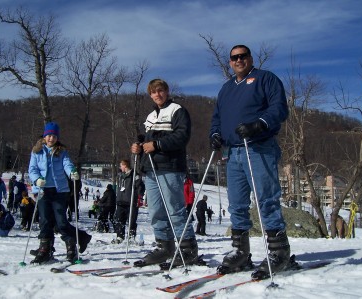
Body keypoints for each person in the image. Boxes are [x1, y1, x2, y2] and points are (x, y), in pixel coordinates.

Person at [209, 44, 290, 278]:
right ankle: (240, 251)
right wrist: (215, 134)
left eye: (243, 56)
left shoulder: (265, 78)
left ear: (250, 58)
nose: (238, 60)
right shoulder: (226, 89)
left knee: (266, 199)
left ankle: (279, 252)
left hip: (258, 147)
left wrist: (260, 123)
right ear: (230, 62)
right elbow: (217, 118)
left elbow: (279, 108)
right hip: (233, 151)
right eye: (234, 57)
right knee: (236, 204)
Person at [130, 78, 199, 268]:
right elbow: (148, 140)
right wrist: (140, 146)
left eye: (160, 91)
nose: (157, 95)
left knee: (175, 210)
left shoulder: (177, 110)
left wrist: (157, 144)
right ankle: (164, 247)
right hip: (151, 168)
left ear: (166, 91)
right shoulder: (151, 116)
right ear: (150, 95)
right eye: (153, 92)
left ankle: (188, 249)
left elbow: (182, 136)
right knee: (156, 211)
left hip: (170, 167)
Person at [28, 121, 91, 264]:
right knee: (45, 220)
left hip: (59, 190)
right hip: (43, 189)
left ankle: (71, 247)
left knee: (61, 221)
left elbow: (67, 164)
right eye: (49, 136)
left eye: (54, 136)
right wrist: (37, 179)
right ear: (44, 136)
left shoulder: (61, 151)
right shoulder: (36, 151)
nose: (51, 139)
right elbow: (32, 169)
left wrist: (72, 172)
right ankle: (45, 249)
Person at [112, 159, 145, 244]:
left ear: (125, 165)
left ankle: (131, 236)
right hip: (120, 201)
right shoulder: (120, 175)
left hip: (131, 201)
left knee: (131, 220)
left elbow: (140, 186)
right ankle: (120, 236)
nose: (120, 167)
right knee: (119, 219)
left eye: (121, 165)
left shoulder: (134, 175)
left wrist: (139, 196)